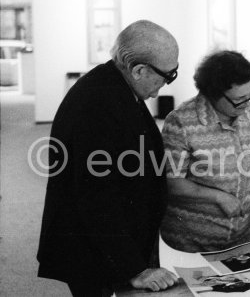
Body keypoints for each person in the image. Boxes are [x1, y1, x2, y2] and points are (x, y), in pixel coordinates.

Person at [37, 20, 180, 296]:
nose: (166, 83)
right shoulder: (97, 103)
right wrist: (133, 269)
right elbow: (95, 196)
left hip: (106, 247)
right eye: (168, 75)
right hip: (92, 253)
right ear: (139, 70)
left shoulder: (115, 87)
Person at [159, 50, 250, 253]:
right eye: (239, 99)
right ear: (214, 94)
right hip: (190, 243)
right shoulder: (182, 121)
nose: (247, 104)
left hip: (242, 239)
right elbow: (170, 182)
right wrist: (218, 197)